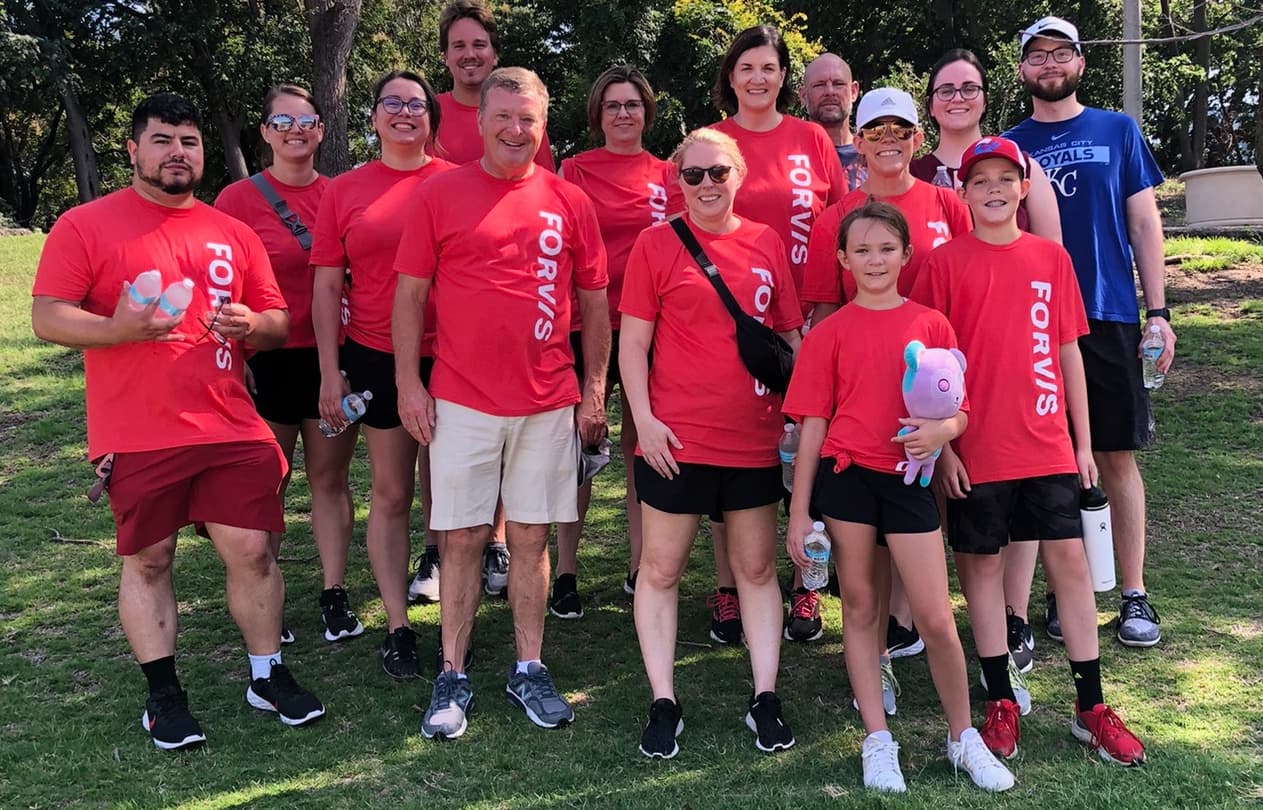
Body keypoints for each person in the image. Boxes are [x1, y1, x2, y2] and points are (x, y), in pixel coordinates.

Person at [31, 93, 324, 750]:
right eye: (162, 140)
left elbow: (277, 321)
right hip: (137, 429)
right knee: (150, 559)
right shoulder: (86, 225)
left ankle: (265, 673)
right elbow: (48, 314)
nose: (177, 153)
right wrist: (114, 328)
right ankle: (164, 695)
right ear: (133, 150)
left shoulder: (232, 232)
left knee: (252, 551)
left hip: (228, 422)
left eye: (188, 142)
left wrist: (257, 325)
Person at [913, 135, 1147, 766]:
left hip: (1046, 443)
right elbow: (928, 366)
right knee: (983, 571)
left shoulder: (1051, 259)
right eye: (979, 180)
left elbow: (1068, 351)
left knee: (1069, 567)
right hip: (974, 447)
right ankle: (1000, 702)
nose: (993, 189)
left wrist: (1083, 440)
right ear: (963, 193)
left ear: (1023, 190)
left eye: (1004, 179)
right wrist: (943, 452)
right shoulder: (943, 265)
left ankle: (1089, 705)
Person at [393, 67, 609, 741]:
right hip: (460, 398)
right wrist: (409, 384)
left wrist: (594, 390)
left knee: (530, 538)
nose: (517, 130)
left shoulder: (568, 200)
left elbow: (596, 304)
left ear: (544, 127)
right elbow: (408, 298)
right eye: (505, 117)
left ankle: (528, 666)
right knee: (458, 537)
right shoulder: (438, 194)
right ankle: (452, 672)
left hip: (547, 400)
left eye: (529, 119)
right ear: (479, 120)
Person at [783, 201, 1014, 793]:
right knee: (860, 609)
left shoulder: (931, 324)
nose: (874, 260)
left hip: (910, 480)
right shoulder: (828, 334)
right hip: (846, 480)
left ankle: (964, 737)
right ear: (842, 259)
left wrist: (946, 433)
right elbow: (812, 425)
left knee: (936, 616)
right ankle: (877, 740)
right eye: (861, 250)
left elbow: (959, 407)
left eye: (886, 248)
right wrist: (800, 510)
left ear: (906, 255)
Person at [620, 127, 802, 759]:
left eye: (717, 173)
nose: (704, 185)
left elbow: (788, 336)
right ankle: (664, 699)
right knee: (661, 569)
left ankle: (765, 696)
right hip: (675, 438)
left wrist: (801, 416)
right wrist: (643, 419)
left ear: (739, 175)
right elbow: (634, 343)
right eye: (692, 175)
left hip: (752, 436)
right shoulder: (655, 244)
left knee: (755, 569)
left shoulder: (766, 241)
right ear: (677, 181)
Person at [1005, 16, 1172, 648]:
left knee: (1115, 455)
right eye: (1037, 56)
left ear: (1080, 61)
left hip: (1106, 313)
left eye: (1061, 53)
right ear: (1022, 69)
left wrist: (1158, 312)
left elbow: (1143, 224)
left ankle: (1133, 593)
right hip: (1033, 319)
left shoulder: (1117, 129)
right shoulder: (1008, 144)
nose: (1050, 65)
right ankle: (1063, 589)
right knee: (1046, 460)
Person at [898, 49, 1063, 672]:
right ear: (931, 102)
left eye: (969, 87)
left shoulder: (1017, 163)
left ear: (984, 96)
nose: (958, 98)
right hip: (938, 359)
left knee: (1014, 497)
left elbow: (1049, 255)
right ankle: (923, 615)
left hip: (1016, 360)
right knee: (946, 489)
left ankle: (1012, 617)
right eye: (945, 89)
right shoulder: (911, 166)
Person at [310, 71, 455, 681]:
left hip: (455, 357)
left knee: (454, 501)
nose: (404, 113)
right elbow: (324, 286)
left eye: (416, 105)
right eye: (391, 103)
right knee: (393, 493)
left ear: (431, 119)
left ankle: (456, 624)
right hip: (376, 355)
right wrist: (329, 373)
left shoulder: (458, 183)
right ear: (372, 117)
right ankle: (398, 626)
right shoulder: (344, 191)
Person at [709, 24, 845, 647]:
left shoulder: (811, 139)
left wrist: (832, 314)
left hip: (809, 325)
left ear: (782, 76)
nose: (758, 78)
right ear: (731, 77)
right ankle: (729, 588)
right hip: (730, 326)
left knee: (807, 456)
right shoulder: (712, 143)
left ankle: (807, 586)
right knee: (734, 455)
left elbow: (843, 225)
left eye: (768, 67)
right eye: (746, 68)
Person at [213, 84, 361, 646]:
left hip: (331, 358)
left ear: (322, 129)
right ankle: (265, 587)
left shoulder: (341, 194)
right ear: (266, 132)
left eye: (307, 121)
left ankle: (333, 593)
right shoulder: (235, 201)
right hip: (265, 358)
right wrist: (234, 360)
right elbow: (219, 287)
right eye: (283, 121)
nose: (296, 130)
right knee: (268, 479)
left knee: (329, 478)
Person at [553, 65, 684, 616]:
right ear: (597, 114)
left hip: (652, 326)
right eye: (613, 105)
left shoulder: (670, 173)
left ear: (647, 111)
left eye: (633, 104)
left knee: (641, 446)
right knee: (577, 447)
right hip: (587, 324)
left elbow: (682, 250)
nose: (624, 114)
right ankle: (564, 572)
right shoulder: (574, 169)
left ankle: (639, 566)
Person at [802, 87, 971, 324]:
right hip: (864, 353)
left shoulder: (950, 204)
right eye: (875, 131)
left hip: (937, 353)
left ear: (917, 139)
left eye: (901, 130)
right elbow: (825, 315)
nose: (888, 138)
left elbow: (969, 291)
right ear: (858, 143)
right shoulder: (833, 220)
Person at [431, 0, 555, 173]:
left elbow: (543, 186)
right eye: (459, 46)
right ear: (445, 56)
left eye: (479, 45)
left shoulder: (523, 117)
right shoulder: (427, 114)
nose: (470, 54)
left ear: (495, 54)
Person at [799, 52, 866, 191]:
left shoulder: (873, 154)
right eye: (819, 85)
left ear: (854, 91)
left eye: (838, 84)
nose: (829, 92)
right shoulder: (791, 156)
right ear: (803, 95)